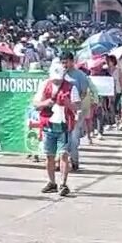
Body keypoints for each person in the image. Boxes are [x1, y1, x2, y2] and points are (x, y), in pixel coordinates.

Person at [33, 63, 77, 196]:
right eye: (55, 78)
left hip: (64, 126)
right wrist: (45, 103)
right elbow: (36, 105)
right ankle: (52, 182)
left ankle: (63, 183)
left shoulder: (70, 87)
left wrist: (68, 103)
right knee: (49, 156)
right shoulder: (44, 85)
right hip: (48, 125)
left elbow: (77, 106)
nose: (57, 81)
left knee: (63, 155)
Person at [60, 52, 89, 171]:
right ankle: (63, 162)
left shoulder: (80, 75)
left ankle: (74, 161)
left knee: (73, 137)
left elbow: (83, 93)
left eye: (66, 62)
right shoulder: (61, 74)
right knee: (63, 137)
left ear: (72, 61)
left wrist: (75, 106)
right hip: (62, 111)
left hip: (77, 110)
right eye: (62, 62)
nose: (64, 65)